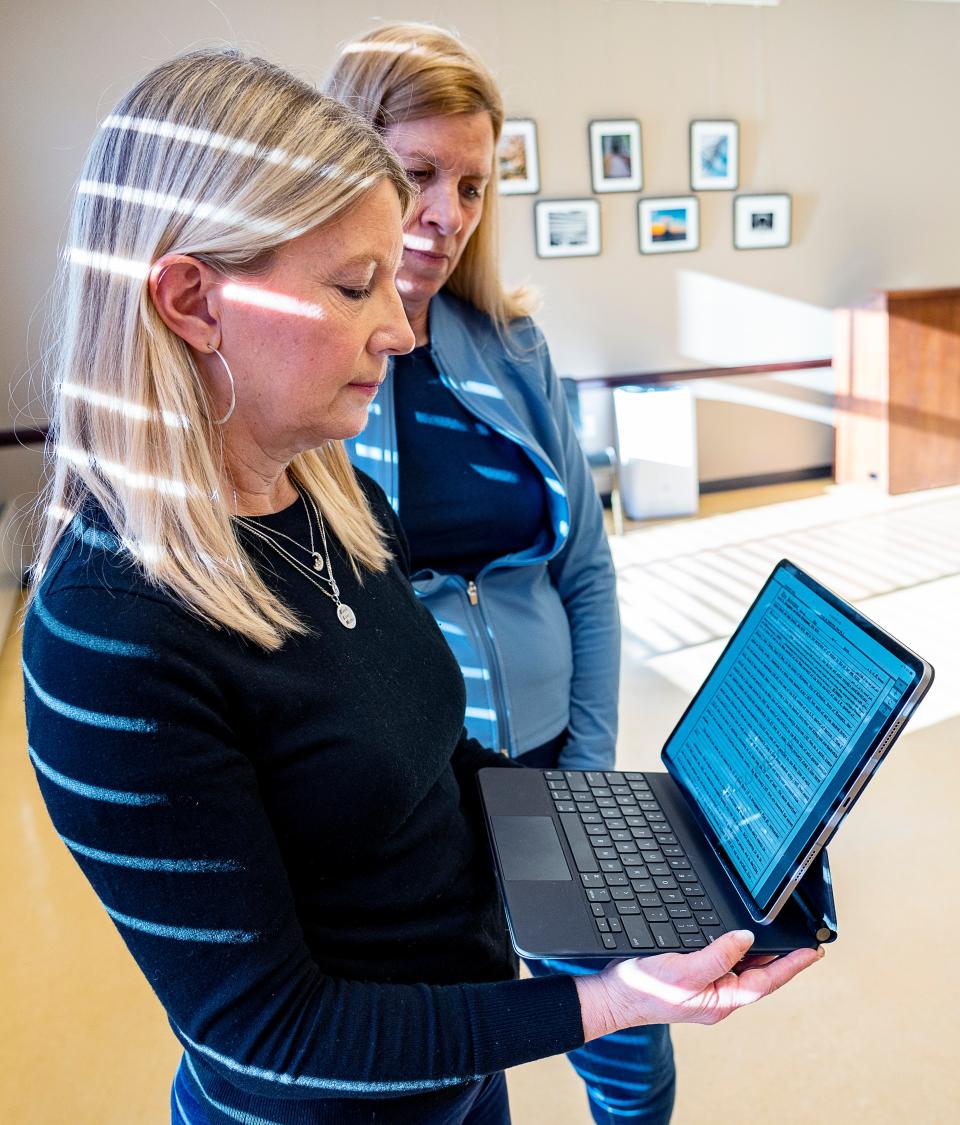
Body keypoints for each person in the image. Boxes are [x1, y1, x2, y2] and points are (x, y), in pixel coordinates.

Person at [23, 48, 822, 1125]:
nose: (398, 329)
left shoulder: (330, 499)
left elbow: (437, 763)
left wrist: (653, 840)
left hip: (451, 1082)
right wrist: (604, 1003)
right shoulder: (110, 636)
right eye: (354, 287)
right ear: (190, 300)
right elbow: (274, 1029)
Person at [323, 23, 663, 1122]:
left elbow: (588, 575)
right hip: (416, 800)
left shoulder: (510, 348)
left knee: (633, 1046)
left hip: (556, 767)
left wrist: (589, 769)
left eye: (470, 183)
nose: (446, 212)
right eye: (416, 174)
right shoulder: (311, 376)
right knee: (461, 1065)